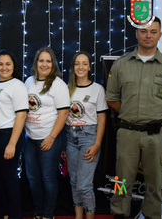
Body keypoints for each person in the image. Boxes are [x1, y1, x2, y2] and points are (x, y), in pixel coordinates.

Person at [106, 16, 162, 219]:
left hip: (157, 136)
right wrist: (132, 114)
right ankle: (119, 213)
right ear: (137, 33)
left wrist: (157, 116)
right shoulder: (121, 65)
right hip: (127, 134)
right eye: (144, 31)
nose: (149, 35)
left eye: (153, 32)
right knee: (121, 181)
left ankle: (151, 215)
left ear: (160, 35)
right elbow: (112, 99)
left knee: (155, 183)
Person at [24, 47, 70, 219]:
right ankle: (38, 211)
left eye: (48, 61)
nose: (44, 64)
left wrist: (51, 138)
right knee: (33, 179)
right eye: (41, 60)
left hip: (50, 138)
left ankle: (48, 215)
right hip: (30, 139)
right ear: (36, 63)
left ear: (53, 64)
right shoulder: (28, 82)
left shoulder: (58, 85)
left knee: (47, 178)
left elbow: (64, 113)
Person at [65, 51, 108, 219]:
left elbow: (102, 118)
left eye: (84, 63)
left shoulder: (97, 89)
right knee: (74, 182)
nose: (80, 67)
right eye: (77, 63)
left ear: (89, 67)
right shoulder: (67, 89)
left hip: (89, 137)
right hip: (70, 137)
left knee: (84, 185)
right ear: (73, 67)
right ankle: (78, 216)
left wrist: (97, 144)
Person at [0, 49, 28, 219]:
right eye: (1, 64)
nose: (4, 67)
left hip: (9, 134)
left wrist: (12, 143)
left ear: (13, 66)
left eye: (8, 64)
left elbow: (22, 115)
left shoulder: (17, 85)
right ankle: (4, 212)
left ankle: (15, 214)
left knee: (9, 177)